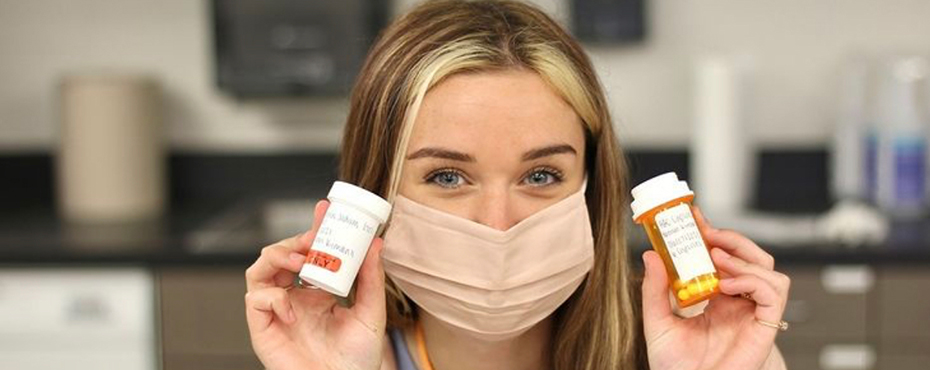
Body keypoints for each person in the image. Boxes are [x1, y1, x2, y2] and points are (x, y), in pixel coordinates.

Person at [243, 1, 791, 369]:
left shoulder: (687, 349)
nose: (499, 225)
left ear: (592, 189)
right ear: (375, 194)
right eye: (447, 176)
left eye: (541, 175)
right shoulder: (338, 358)